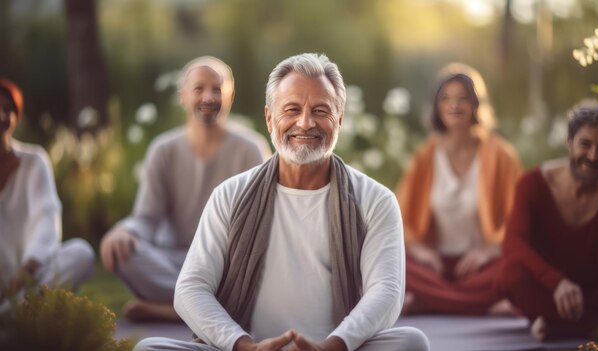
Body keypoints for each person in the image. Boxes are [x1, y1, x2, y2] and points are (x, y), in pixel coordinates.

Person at [134, 53, 429, 351]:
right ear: (269, 118)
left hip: (337, 350)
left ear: (339, 118)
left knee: (411, 343)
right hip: (246, 349)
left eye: (320, 110)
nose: (305, 122)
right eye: (292, 109)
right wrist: (243, 345)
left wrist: (335, 345)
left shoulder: (375, 200)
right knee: (148, 349)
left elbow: (386, 292)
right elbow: (190, 289)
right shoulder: (230, 194)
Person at [99, 56, 268, 322]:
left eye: (217, 88)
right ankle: (213, 310)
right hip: (173, 261)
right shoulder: (163, 149)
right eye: (199, 89)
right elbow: (147, 218)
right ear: (183, 96)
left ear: (231, 95)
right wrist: (125, 230)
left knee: (260, 270)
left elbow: (261, 225)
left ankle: (173, 310)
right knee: (126, 255)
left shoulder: (251, 148)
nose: (209, 97)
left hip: (225, 266)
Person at [396, 63, 523, 315]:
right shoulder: (424, 157)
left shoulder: (502, 156)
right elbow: (398, 216)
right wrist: (419, 249)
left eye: (462, 99)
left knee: (516, 270)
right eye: (446, 99)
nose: (454, 105)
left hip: (483, 266)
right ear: (436, 106)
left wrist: (491, 250)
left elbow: (520, 217)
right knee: (394, 265)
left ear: (477, 104)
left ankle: (430, 302)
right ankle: (483, 306)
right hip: (436, 267)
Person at [496, 101, 598, 340]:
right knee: (509, 275)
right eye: (585, 144)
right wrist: (557, 283)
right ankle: (594, 325)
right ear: (569, 143)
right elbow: (514, 244)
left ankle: (557, 324)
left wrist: (593, 299)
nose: (593, 156)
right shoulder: (532, 183)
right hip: (550, 290)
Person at [0, 78, 94, 312]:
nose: (1, 116)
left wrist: (28, 269)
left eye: (7, 109)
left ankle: (13, 311)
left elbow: (47, 217)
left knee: (81, 254)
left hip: (30, 276)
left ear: (16, 116)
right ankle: (17, 315)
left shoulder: (34, 161)